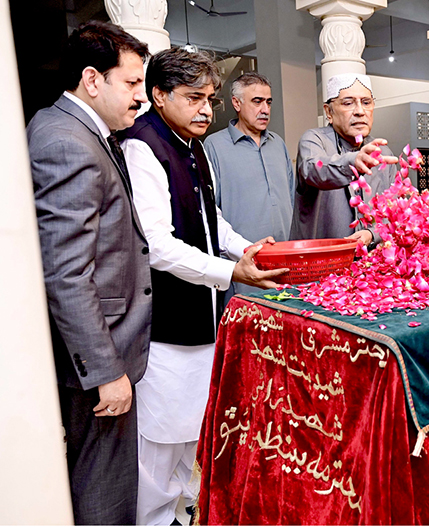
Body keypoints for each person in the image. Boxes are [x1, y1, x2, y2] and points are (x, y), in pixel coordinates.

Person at [119, 48, 287, 525]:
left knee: (195, 429)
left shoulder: (192, 144)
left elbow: (210, 220)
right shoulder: (143, 145)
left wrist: (249, 248)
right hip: (166, 323)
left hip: (203, 316)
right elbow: (157, 244)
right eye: (194, 98)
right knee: (160, 441)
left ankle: (187, 512)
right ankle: (153, 518)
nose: (206, 110)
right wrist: (231, 272)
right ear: (159, 95)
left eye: (210, 98)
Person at [27, 21, 151, 525]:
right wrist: (105, 371)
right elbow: (65, 272)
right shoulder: (68, 142)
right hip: (95, 362)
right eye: (133, 83)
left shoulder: (80, 132)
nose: (141, 97)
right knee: (104, 493)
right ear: (92, 79)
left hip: (102, 350)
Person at [204, 72, 294, 298]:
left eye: (268, 102)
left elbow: (291, 197)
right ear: (236, 103)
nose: (265, 109)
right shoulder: (213, 146)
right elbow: (210, 211)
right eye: (257, 101)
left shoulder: (278, 144)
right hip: (242, 270)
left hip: (284, 265)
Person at [290, 73, 397, 245]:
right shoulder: (314, 140)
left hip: (371, 266)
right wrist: (353, 162)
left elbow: (395, 214)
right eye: (348, 103)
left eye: (366, 102)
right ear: (328, 112)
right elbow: (315, 170)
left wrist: (371, 234)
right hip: (320, 265)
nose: (360, 111)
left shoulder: (383, 152)